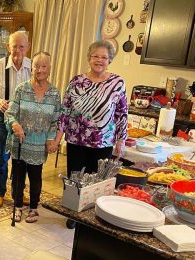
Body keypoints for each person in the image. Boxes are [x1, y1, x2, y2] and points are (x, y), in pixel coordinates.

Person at [54, 40, 127, 228]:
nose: (99, 60)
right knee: (74, 177)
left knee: (97, 181)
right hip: (76, 139)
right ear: (89, 58)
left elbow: (121, 113)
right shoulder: (77, 81)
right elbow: (65, 110)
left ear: (110, 59)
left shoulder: (117, 83)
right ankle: (73, 214)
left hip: (103, 142)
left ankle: (94, 215)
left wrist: (121, 140)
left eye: (104, 57)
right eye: (96, 56)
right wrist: (58, 137)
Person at [5, 52, 61, 223]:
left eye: (44, 66)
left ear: (50, 69)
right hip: (20, 143)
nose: (40, 70)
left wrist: (52, 139)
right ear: (31, 68)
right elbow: (10, 113)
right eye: (36, 66)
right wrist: (14, 124)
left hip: (39, 146)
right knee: (18, 179)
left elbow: (56, 120)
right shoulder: (21, 89)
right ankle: (18, 206)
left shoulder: (54, 94)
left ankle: (34, 208)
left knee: (36, 179)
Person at [0, 31, 31, 208]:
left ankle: (17, 193)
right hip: (3, 120)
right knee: (1, 159)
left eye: (21, 46)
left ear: (27, 47)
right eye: (14, 46)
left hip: (24, 122)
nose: (17, 50)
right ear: (8, 47)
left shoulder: (33, 67)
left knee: (21, 160)